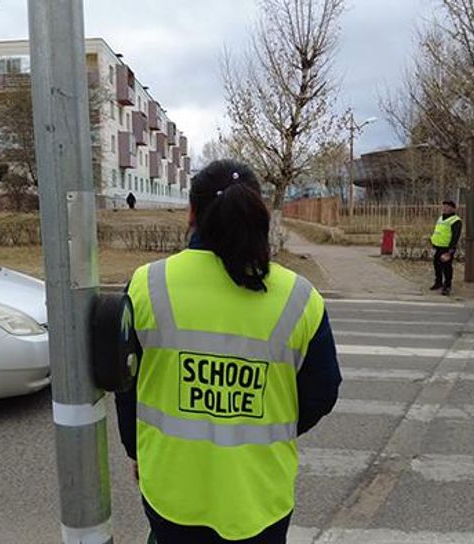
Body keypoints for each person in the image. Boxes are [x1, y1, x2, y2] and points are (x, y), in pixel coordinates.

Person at [115, 159, 341, 543]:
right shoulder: (300, 297)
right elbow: (322, 392)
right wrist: (270, 422)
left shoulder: (147, 284)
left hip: (172, 489)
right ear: (260, 213)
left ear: (191, 212)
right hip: (259, 495)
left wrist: (137, 449)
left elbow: (125, 383)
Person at [430, 200, 462, 296]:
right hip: (438, 246)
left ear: (452, 208)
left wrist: (451, 249)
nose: (444, 208)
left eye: (447, 206)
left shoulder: (455, 221)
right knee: (437, 265)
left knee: (447, 267)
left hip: (447, 248)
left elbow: (455, 236)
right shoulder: (441, 218)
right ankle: (438, 282)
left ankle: (447, 286)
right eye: (443, 206)